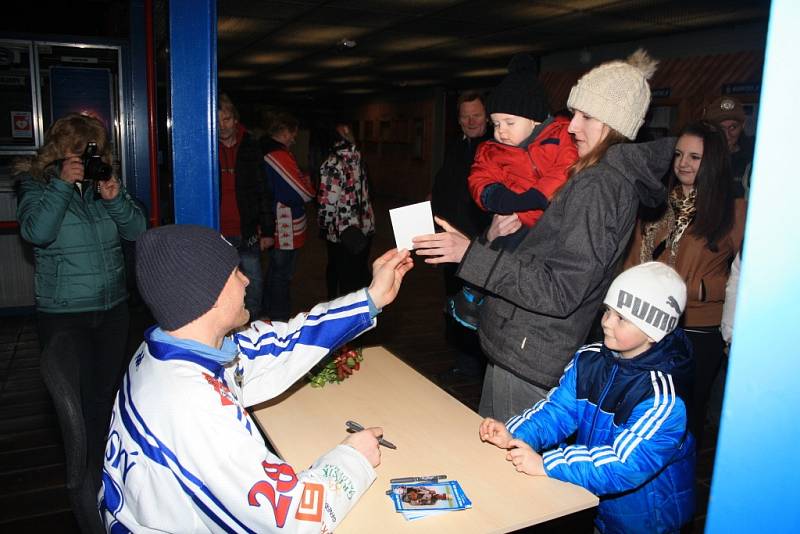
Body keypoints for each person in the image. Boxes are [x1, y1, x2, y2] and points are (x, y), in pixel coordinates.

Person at [99, 224, 413, 532]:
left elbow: (284, 341)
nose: (246, 279)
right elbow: (292, 522)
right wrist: (354, 459)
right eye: (235, 271)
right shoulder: (192, 407)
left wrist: (371, 298)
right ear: (209, 294)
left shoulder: (169, 347)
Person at [413, 49, 671, 422]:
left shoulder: (598, 186)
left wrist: (471, 254)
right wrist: (490, 237)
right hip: (529, 349)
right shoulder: (597, 178)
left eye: (586, 116)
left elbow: (561, 290)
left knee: (502, 469)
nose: (570, 126)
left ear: (614, 124)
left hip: (531, 356)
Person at [480, 262, 695, 533]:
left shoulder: (663, 399)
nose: (606, 322)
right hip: (595, 494)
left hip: (644, 519)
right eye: (608, 311)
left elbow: (623, 464)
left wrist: (546, 464)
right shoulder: (589, 359)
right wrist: (515, 434)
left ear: (653, 331)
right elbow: (557, 412)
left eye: (621, 318)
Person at [16, 113, 146, 483]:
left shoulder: (99, 185)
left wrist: (115, 198)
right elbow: (36, 233)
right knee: (72, 400)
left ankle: (106, 472)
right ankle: (82, 475)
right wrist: (61, 185)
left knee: (103, 394)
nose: (85, 161)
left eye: (93, 152)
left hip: (112, 309)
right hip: (65, 313)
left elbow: (137, 229)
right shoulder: (36, 185)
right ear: (58, 152)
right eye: (77, 152)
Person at [625, 120, 746, 447]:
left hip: (696, 328)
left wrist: (701, 289)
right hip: (646, 322)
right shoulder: (656, 202)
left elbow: (746, 276)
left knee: (682, 416)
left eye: (695, 157)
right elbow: (632, 259)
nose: (683, 163)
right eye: (679, 154)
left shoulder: (732, 210)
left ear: (714, 162)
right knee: (641, 411)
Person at [450, 53, 578, 331]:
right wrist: (494, 196)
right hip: (516, 221)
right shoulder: (492, 150)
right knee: (501, 244)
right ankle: (473, 292)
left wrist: (534, 197)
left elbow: (566, 168)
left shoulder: (562, 135)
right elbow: (479, 178)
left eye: (509, 123)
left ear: (534, 119)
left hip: (550, 223)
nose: (501, 132)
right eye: (496, 124)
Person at [430, 91, 493, 382]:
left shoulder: (495, 149)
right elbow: (443, 188)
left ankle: (481, 368)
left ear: (486, 116)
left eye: (476, 115)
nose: (470, 121)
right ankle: (464, 363)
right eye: (465, 116)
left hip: (479, 247)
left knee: (479, 309)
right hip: (450, 244)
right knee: (455, 303)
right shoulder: (457, 148)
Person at [217, 93, 274, 318]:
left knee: (254, 287)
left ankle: (252, 329)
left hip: (246, 232)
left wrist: (268, 231)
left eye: (227, 119)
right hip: (217, 233)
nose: (222, 126)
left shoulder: (251, 145)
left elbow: (263, 190)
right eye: (218, 120)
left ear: (236, 119)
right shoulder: (206, 147)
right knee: (222, 292)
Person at [262, 111, 315, 321]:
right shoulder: (278, 155)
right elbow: (303, 191)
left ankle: (269, 310)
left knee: (275, 271)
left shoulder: (268, 150)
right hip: (285, 224)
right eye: (292, 134)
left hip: (278, 222)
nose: (294, 139)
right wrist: (309, 183)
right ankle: (280, 317)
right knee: (282, 274)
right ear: (283, 132)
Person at [317, 120, 375, 299]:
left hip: (342, 231)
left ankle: (338, 311)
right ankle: (365, 312)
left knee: (338, 272)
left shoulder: (333, 164)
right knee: (358, 273)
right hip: (364, 226)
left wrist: (323, 225)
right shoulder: (358, 157)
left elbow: (328, 201)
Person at [704, 95, 754, 198]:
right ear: (709, 127)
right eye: (720, 128)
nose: (727, 135)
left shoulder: (754, 158)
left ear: (743, 125)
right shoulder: (695, 155)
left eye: (733, 127)